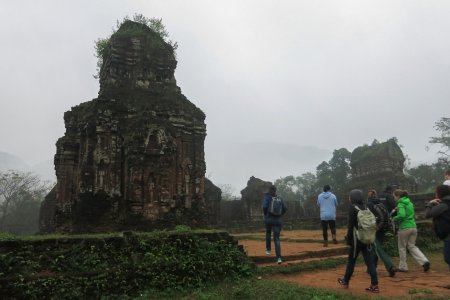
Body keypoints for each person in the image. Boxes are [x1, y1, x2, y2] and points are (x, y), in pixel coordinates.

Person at [338, 189, 379, 293]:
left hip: (356, 239)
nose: (349, 198)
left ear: (353, 197)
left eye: (350, 196)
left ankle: (345, 281)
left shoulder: (353, 208)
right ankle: (374, 285)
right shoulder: (366, 207)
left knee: (351, 260)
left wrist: (348, 239)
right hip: (367, 237)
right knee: (369, 261)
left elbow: (350, 226)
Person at [393, 189, 430, 272]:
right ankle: (424, 261)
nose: (394, 198)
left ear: (398, 196)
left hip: (404, 228)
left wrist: (394, 218)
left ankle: (403, 267)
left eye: (394, 196)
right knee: (412, 246)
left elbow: (402, 215)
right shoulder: (410, 203)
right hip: (413, 226)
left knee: (402, 248)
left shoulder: (400, 203)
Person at [366, 189, 397, 277]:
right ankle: (371, 267)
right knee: (376, 247)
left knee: (378, 248)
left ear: (368, 196)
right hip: (383, 227)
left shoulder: (369, 204)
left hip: (375, 228)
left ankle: (390, 266)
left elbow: (368, 218)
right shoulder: (381, 203)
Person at [425, 184, 450, 270]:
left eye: (436, 193)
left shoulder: (444, 205)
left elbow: (428, 214)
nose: (435, 195)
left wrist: (430, 204)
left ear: (440, 194)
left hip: (448, 235)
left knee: (448, 258)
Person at [262, 185, 287, 264]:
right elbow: (285, 208)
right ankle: (279, 258)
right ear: (275, 190)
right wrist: (280, 215)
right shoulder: (279, 198)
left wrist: (265, 215)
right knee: (277, 239)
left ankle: (268, 250)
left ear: (269, 190)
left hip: (269, 219)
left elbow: (264, 207)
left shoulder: (267, 197)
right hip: (278, 220)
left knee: (268, 233)